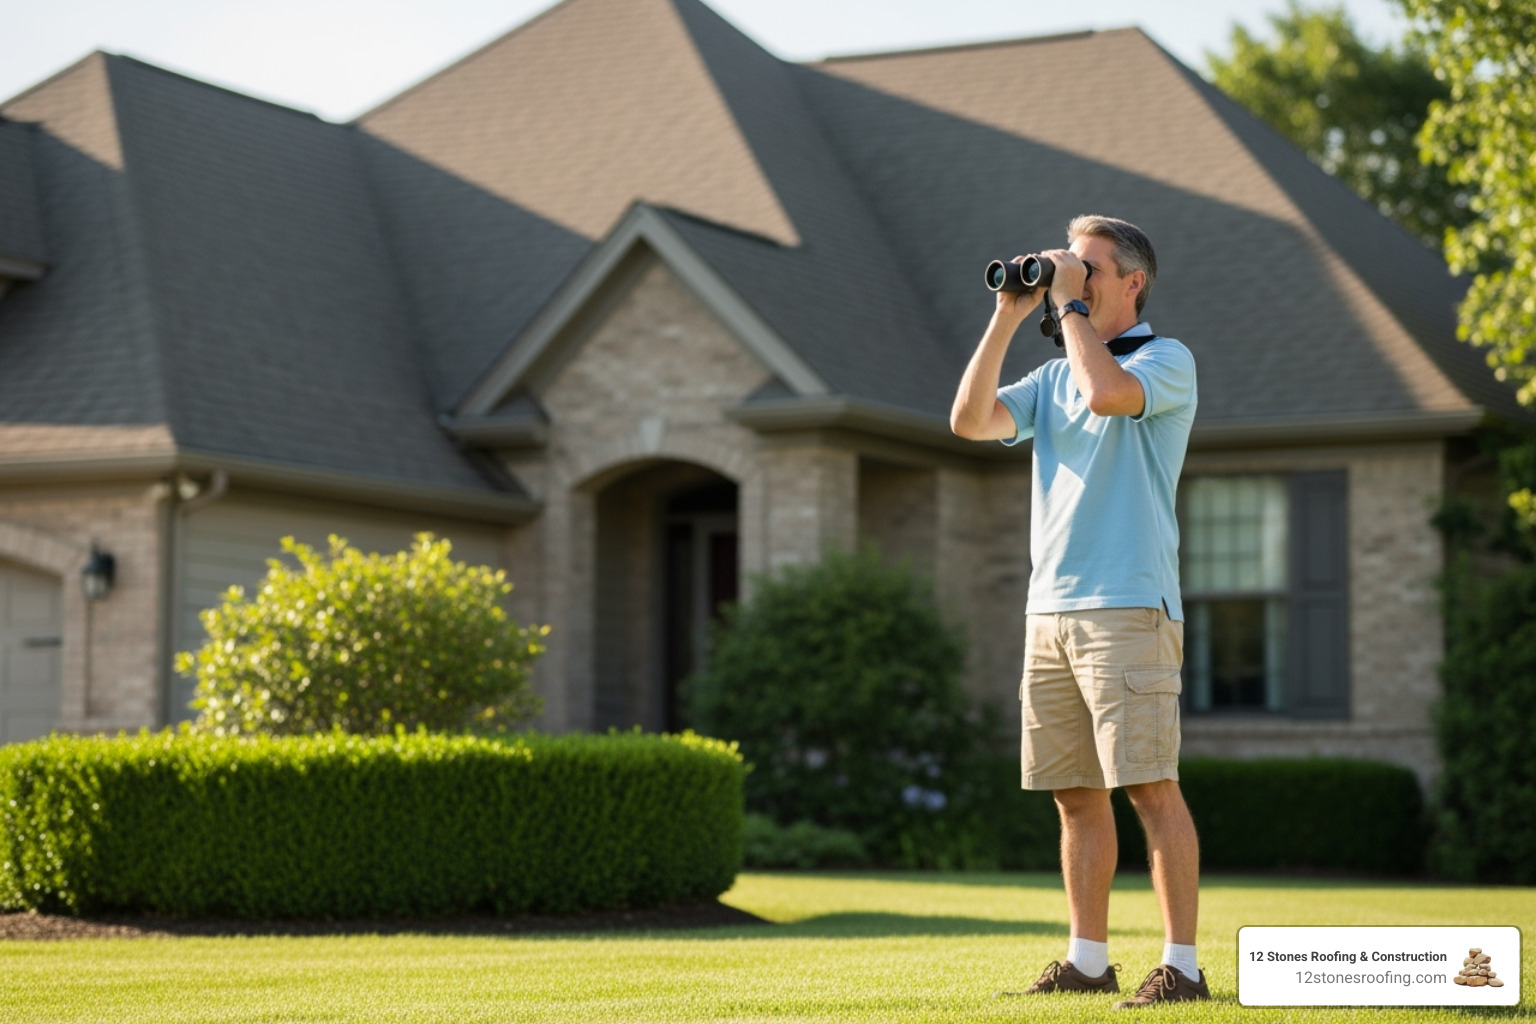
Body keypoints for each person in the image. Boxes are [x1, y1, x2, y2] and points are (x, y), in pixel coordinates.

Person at [950, 215, 1205, 1009]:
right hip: (1050, 609)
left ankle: (1184, 969)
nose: (1075, 278)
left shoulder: (1167, 361)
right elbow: (968, 420)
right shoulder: (1051, 378)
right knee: (1074, 795)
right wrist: (1006, 315)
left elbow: (1106, 394)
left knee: (1150, 787)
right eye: (1071, 266)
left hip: (1129, 606)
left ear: (1133, 282)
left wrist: (1065, 309)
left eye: (1090, 268)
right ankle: (1088, 960)